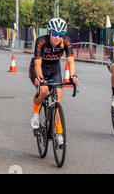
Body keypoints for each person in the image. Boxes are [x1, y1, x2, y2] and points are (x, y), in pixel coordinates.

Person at [29, 18, 79, 146]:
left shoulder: (66, 41)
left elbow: (71, 60)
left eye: (60, 34)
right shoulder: (41, 41)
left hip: (54, 69)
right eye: (54, 33)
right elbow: (37, 62)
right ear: (49, 32)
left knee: (58, 98)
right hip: (39, 69)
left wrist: (73, 75)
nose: (57, 37)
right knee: (44, 90)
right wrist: (40, 78)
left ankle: (59, 134)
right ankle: (35, 112)